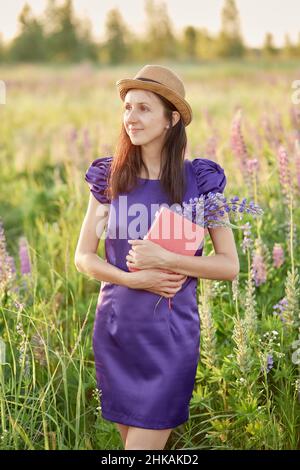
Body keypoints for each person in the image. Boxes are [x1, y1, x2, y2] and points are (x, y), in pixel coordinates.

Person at [74, 64, 240, 450]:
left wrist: (166, 258)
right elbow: (84, 257)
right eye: (127, 107)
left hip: (169, 340)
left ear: (172, 118)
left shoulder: (200, 182)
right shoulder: (110, 178)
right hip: (116, 333)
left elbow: (229, 265)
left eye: (144, 108)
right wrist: (133, 279)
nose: (131, 117)